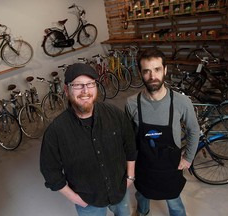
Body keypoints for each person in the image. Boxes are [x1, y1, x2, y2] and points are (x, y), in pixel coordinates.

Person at [40, 63, 137, 216]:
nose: (85, 91)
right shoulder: (56, 131)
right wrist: (77, 199)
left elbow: (130, 146)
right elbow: (51, 173)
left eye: (90, 84)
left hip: (120, 190)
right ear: (66, 90)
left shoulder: (115, 115)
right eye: (78, 85)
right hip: (88, 202)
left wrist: (130, 177)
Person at [125, 48, 200, 216]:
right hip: (144, 166)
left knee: (174, 201)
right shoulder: (131, 103)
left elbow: (194, 130)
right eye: (147, 71)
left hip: (170, 166)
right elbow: (128, 137)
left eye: (157, 69)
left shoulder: (181, 102)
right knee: (142, 196)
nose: (153, 76)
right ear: (140, 73)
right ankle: (142, 212)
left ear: (165, 70)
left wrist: (188, 158)